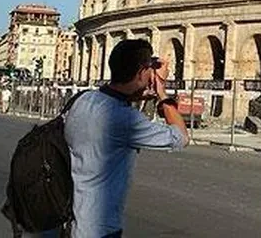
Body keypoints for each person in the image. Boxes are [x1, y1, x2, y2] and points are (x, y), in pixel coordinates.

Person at [65, 38, 188, 238]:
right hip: (102, 228)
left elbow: (113, 99)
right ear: (141, 73)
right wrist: (161, 91)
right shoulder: (124, 119)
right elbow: (180, 137)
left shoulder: (83, 100)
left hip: (77, 220)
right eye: (149, 70)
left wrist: (140, 92)